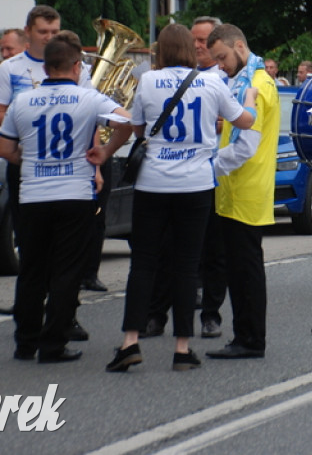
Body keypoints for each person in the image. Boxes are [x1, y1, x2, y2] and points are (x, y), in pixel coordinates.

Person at [91, 24, 255, 372]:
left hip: (154, 184)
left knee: (145, 263)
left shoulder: (149, 81)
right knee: (187, 265)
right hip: (196, 184)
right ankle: (182, 348)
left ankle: (130, 342)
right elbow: (243, 121)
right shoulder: (212, 82)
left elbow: (137, 129)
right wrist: (250, 101)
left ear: (160, 52)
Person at [0, 32, 130, 363]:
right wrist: (106, 150)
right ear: (75, 66)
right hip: (74, 193)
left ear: (46, 67)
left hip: (33, 194)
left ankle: (25, 342)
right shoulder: (88, 97)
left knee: (32, 270)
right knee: (67, 271)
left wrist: (31, 161)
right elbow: (128, 121)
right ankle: (53, 344)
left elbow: (4, 149)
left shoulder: (23, 101)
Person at [0, 5, 95, 340]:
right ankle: (35, 327)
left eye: (54, 31)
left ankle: (64, 318)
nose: (49, 38)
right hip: (27, 164)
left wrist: (96, 162)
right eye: (42, 32)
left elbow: (90, 117)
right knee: (35, 255)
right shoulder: (10, 68)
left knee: (66, 256)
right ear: (28, 33)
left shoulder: (77, 64)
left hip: (69, 168)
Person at [141, 16, 228, 338]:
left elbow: (233, 122)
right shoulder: (163, 78)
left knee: (213, 251)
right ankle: (156, 314)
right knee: (167, 249)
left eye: (205, 40)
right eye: (194, 39)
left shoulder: (222, 76)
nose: (198, 45)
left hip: (215, 173)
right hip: (179, 174)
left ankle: (211, 315)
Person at [204, 24, 279, 359]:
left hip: (244, 188)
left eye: (222, 56)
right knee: (240, 268)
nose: (220, 64)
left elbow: (246, 145)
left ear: (239, 45)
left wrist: (207, 169)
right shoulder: (245, 80)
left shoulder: (258, 84)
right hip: (236, 188)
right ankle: (247, 335)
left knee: (245, 270)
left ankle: (250, 338)